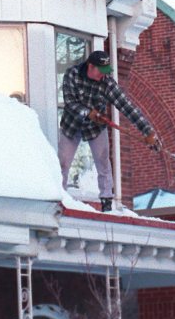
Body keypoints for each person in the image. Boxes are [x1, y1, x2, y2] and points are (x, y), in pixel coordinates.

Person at [59, 50, 161, 212]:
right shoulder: (72, 74)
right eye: (101, 71)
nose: (103, 75)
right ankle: (60, 197)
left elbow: (127, 107)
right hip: (71, 125)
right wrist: (88, 112)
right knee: (63, 162)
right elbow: (70, 102)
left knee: (103, 161)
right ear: (90, 66)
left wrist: (147, 131)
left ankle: (106, 201)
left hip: (96, 128)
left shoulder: (107, 83)